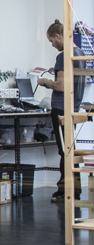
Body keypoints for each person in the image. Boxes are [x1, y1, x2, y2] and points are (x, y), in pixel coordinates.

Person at [37, 19, 86, 202]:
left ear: (58, 36)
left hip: (61, 108)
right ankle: (74, 190)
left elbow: (61, 86)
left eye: (52, 41)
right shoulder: (80, 53)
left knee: (64, 151)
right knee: (70, 149)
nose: (52, 45)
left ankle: (66, 191)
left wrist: (45, 82)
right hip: (74, 107)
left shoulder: (64, 56)